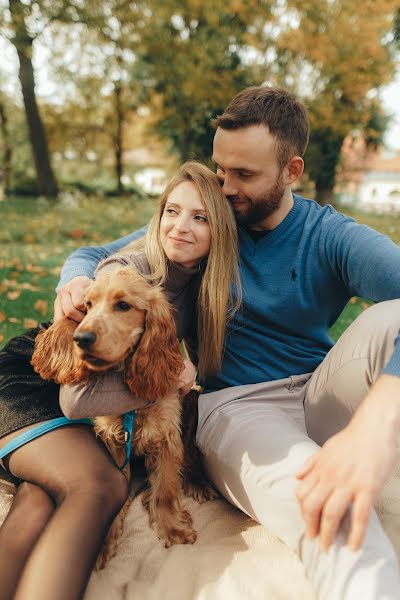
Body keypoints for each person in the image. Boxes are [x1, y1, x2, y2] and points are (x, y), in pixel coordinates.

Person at [57, 86, 400, 600]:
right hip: (238, 408)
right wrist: (75, 279)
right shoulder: (207, 222)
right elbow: (97, 252)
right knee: (327, 507)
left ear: (292, 171)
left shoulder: (329, 235)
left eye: (244, 175)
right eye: (221, 169)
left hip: (320, 389)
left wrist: (375, 423)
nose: (224, 186)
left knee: (393, 314)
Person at [0, 161, 240, 600]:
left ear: (219, 232)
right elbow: (75, 401)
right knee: (99, 487)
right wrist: (170, 377)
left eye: (199, 217)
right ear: (159, 214)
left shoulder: (194, 280)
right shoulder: (133, 268)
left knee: (39, 497)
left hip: (77, 396)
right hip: (35, 382)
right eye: (171, 211)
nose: (180, 226)